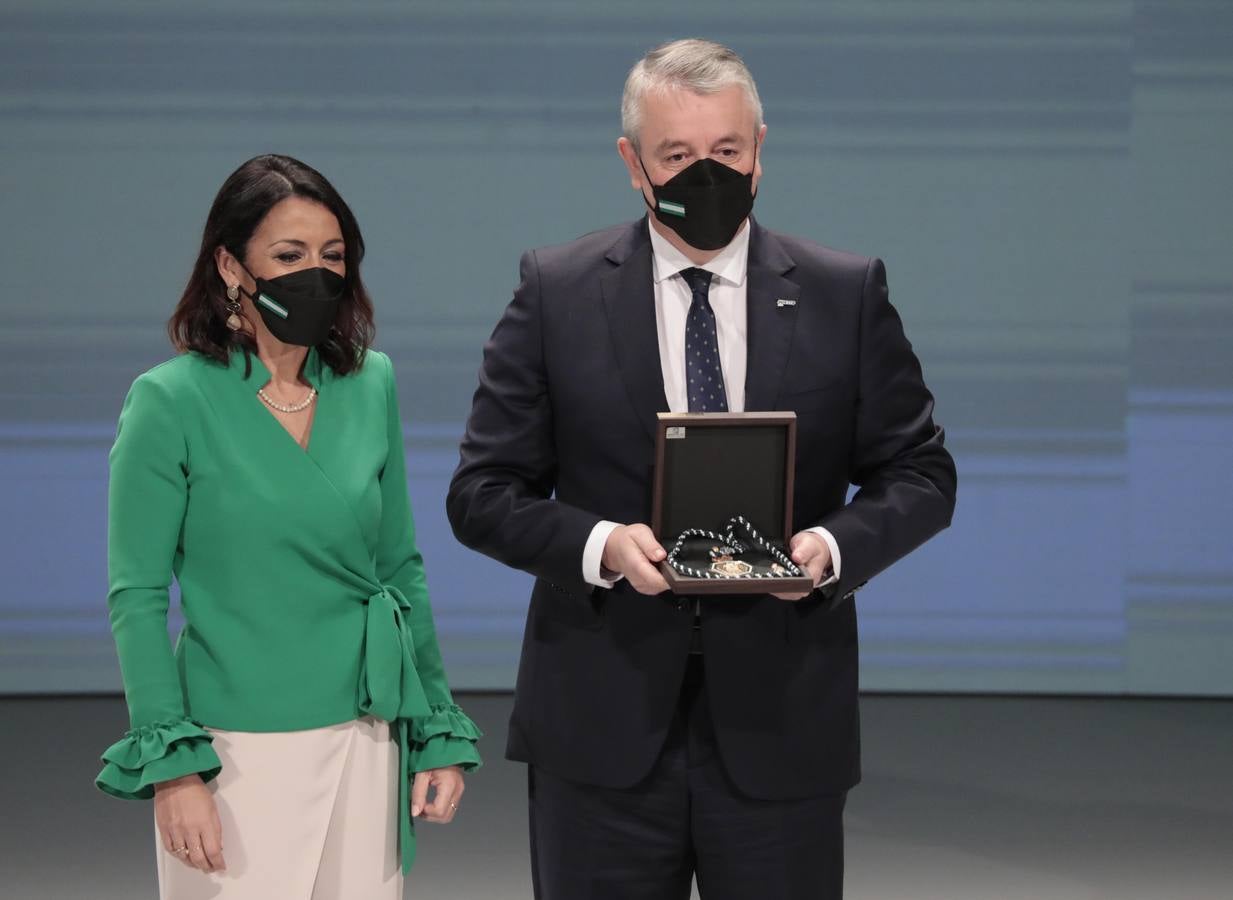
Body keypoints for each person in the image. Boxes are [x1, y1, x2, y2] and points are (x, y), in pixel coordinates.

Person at [447, 39, 956, 900]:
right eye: (676, 155)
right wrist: (601, 543)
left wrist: (829, 551)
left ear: (759, 148)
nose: (704, 174)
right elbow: (482, 493)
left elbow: (920, 471)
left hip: (781, 721)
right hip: (600, 729)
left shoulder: (844, 291)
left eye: (724, 151)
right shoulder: (556, 290)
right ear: (631, 162)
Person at [95, 154, 481, 900]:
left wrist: (435, 727)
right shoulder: (168, 401)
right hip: (234, 749)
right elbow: (136, 597)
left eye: (332, 256)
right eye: (289, 255)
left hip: (368, 737)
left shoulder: (372, 382)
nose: (317, 274)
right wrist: (174, 768)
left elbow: (400, 567)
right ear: (230, 265)